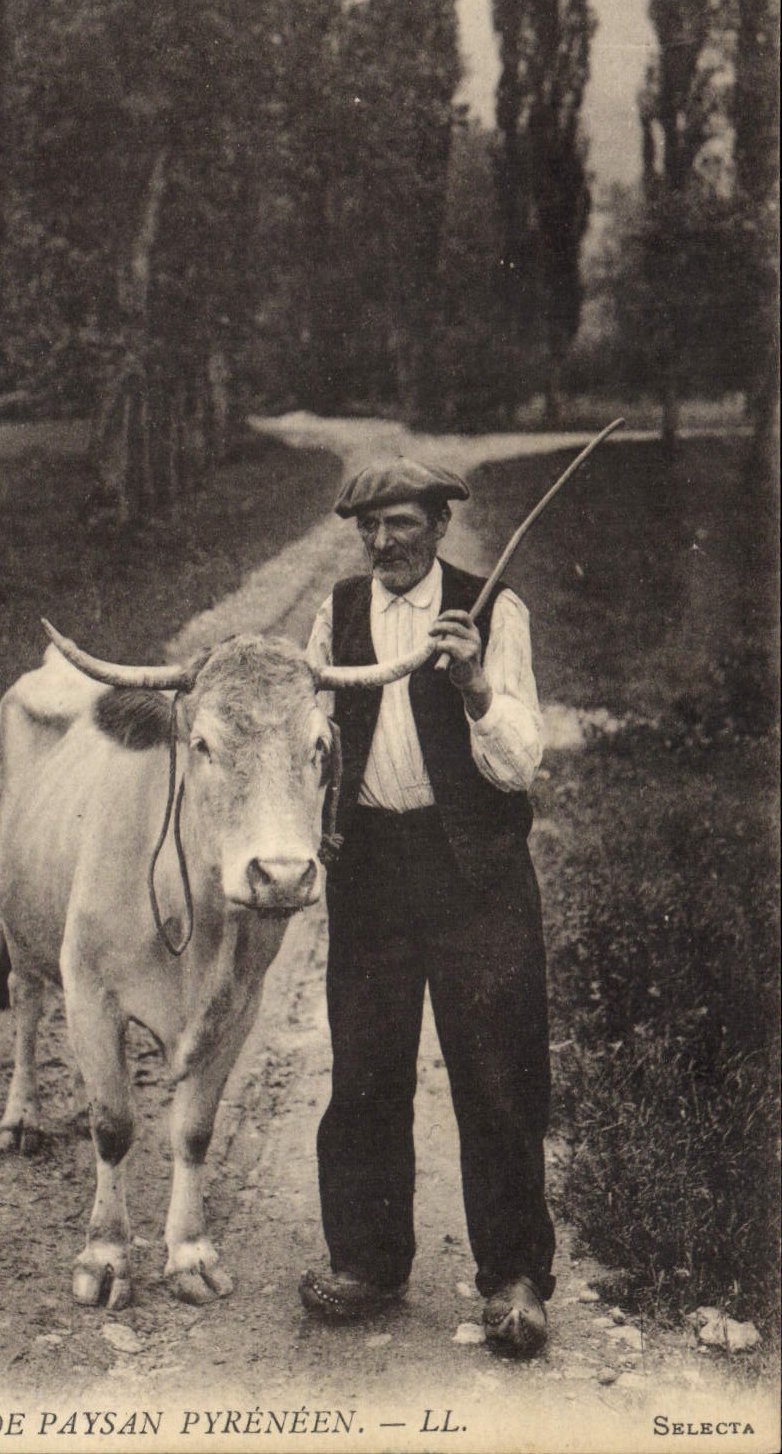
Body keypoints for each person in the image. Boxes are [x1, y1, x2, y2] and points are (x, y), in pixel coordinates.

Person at [298, 454, 555, 1356]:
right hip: (371, 867)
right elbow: (315, 740)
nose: (381, 543)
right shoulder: (335, 614)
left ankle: (516, 1278)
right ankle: (367, 1263)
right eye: (367, 527)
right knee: (366, 1070)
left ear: (440, 524)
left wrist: (476, 685)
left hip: (475, 869)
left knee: (497, 1072)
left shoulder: (493, 608)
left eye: (400, 523)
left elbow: (523, 761)